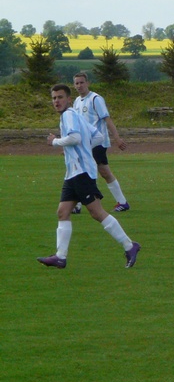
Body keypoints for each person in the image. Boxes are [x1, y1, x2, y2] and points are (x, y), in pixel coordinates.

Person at [36, 84, 140, 269]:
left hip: (81, 172)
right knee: (63, 212)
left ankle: (129, 246)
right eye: (54, 98)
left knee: (97, 212)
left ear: (69, 99)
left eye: (60, 97)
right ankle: (60, 257)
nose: (56, 101)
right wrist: (82, 148)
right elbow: (98, 136)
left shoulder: (68, 115)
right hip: (73, 173)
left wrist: (55, 142)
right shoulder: (76, 115)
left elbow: (75, 138)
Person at [72, 72, 130, 213]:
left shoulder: (95, 99)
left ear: (88, 83)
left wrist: (117, 138)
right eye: (77, 83)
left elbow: (107, 119)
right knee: (84, 170)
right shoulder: (77, 101)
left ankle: (122, 202)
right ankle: (78, 205)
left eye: (82, 82)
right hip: (84, 143)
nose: (79, 85)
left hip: (97, 142)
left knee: (97, 171)